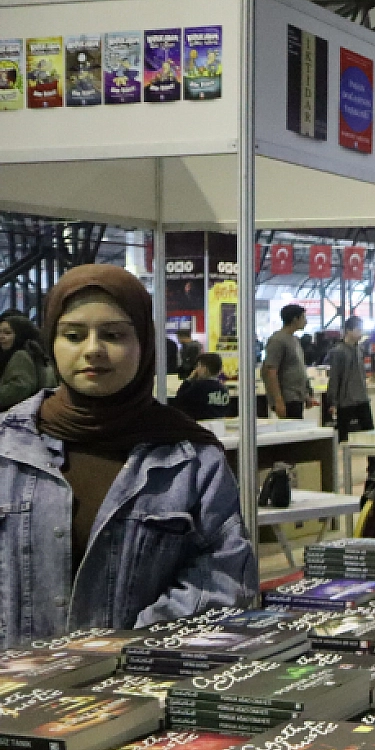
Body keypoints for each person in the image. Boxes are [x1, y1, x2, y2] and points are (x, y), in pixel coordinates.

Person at [0, 266, 258, 647]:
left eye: (113, 335)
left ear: (144, 344)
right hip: (15, 694)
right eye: (73, 335)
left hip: (142, 689)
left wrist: (123, 648)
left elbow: (224, 578)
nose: (92, 350)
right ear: (52, 343)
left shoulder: (191, 457)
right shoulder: (8, 446)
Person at [323, 317, 375, 441]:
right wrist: (333, 401)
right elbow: (334, 377)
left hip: (362, 397)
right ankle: (341, 459)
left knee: (370, 433)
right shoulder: (338, 352)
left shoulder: (360, 349)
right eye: (358, 329)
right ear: (348, 331)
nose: (361, 333)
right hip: (345, 400)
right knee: (343, 435)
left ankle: (373, 461)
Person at [263, 304, 313, 420]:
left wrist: (306, 395)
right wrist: (278, 400)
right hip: (287, 398)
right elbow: (271, 371)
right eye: (303, 318)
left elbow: (298, 369)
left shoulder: (294, 339)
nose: (306, 321)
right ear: (295, 319)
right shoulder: (277, 340)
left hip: (297, 396)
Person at [0, 315, 53, 412]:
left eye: (7, 333)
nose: (1, 337)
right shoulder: (33, 352)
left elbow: (21, 387)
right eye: (0, 332)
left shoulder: (20, 355)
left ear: (20, 334)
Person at [170, 352, 232, 421]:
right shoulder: (224, 389)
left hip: (200, 425)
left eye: (198, 366)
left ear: (204, 368)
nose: (196, 369)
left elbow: (179, 399)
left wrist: (189, 379)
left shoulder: (199, 387)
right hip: (218, 425)